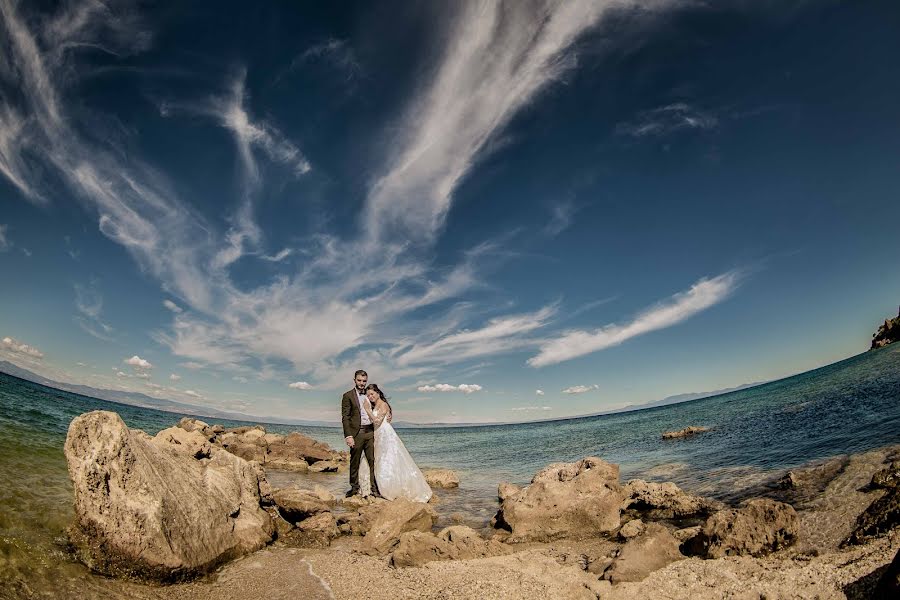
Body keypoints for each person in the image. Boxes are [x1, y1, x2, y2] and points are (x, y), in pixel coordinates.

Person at [357, 383, 432, 503]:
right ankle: (369, 488)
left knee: (387, 461)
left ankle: (388, 489)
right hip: (377, 435)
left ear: (378, 393)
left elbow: (376, 421)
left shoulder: (383, 404)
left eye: (372, 394)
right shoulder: (376, 405)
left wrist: (367, 409)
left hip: (385, 435)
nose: (370, 396)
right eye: (368, 395)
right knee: (374, 460)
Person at [341, 370, 380, 498]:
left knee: (372, 461)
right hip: (356, 434)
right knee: (355, 461)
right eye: (359, 380)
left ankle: (374, 489)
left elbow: (381, 404)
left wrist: (389, 413)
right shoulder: (347, 396)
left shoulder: (370, 395)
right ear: (354, 380)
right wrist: (348, 436)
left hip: (370, 432)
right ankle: (354, 487)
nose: (362, 383)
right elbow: (345, 417)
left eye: (364, 381)